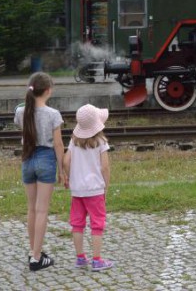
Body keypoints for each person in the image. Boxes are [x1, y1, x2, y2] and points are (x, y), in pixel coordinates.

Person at [14, 72, 64, 271]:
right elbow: (59, 145)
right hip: (45, 159)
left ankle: (32, 250)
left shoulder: (20, 112)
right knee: (42, 209)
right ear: (49, 90)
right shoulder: (53, 114)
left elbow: (21, 119)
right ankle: (36, 257)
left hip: (27, 159)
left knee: (31, 209)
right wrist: (63, 170)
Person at [63, 104, 113, 272]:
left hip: (77, 191)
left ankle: (80, 258)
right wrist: (106, 184)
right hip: (95, 190)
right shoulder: (101, 142)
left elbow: (66, 161)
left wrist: (69, 177)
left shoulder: (73, 141)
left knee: (77, 223)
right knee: (97, 224)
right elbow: (105, 167)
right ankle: (97, 260)